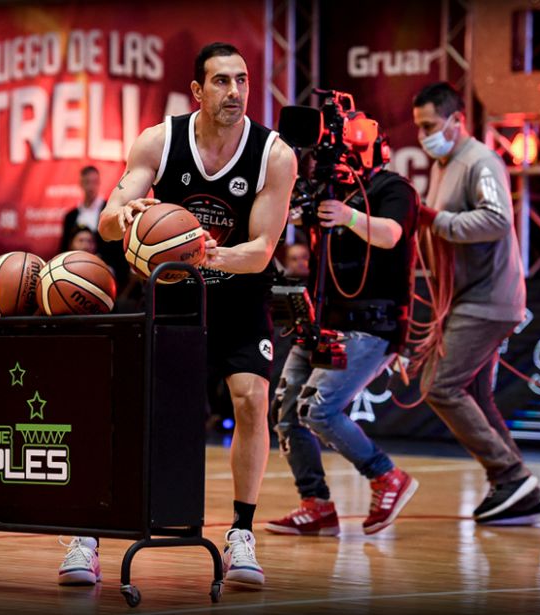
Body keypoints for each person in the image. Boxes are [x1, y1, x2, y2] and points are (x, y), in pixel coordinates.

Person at [56, 42, 296, 587]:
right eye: (221, 81)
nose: (234, 91)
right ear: (197, 90)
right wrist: (129, 216)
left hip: (239, 297)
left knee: (252, 399)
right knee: (130, 407)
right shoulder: (159, 141)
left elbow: (261, 250)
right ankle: (88, 535)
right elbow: (109, 222)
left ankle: (241, 534)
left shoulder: (274, 154)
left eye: (242, 80)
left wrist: (198, 251)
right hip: (173, 296)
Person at [412, 81, 540, 525]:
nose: (423, 135)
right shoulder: (445, 164)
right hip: (469, 297)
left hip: (488, 298)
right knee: (473, 392)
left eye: (429, 125)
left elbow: (497, 219)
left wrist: (438, 219)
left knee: (440, 386)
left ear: (457, 120)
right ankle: (521, 488)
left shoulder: (480, 161)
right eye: (418, 127)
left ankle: (509, 475)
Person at [266, 149, 420, 538]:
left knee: (318, 410)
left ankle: (386, 475)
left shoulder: (393, 188)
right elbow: (290, 217)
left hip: (371, 323)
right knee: (286, 411)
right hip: (323, 319)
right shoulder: (326, 191)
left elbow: (391, 234)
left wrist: (348, 216)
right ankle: (315, 504)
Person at [59, 166, 128, 287]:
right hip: (74, 273)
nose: (91, 187)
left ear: (99, 183)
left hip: (105, 273)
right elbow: (64, 247)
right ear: (81, 184)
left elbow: (119, 248)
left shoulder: (110, 212)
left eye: (94, 182)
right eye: (87, 182)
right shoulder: (71, 216)